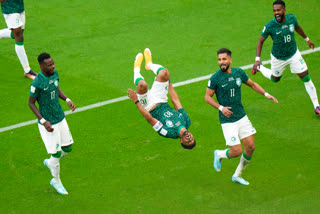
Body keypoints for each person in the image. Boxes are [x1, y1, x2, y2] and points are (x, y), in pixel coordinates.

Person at [205, 48, 278, 185]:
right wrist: (221, 108)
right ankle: (219, 154)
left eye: (224, 59)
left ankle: (237, 175)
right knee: (237, 150)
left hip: (241, 116)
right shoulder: (215, 78)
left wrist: (266, 94)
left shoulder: (239, 73)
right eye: (220, 60)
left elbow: (252, 84)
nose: (221, 62)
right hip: (228, 121)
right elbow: (207, 97)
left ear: (230, 60)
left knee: (250, 147)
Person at [252, 0, 320, 114]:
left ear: (284, 10)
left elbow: (298, 27)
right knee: (275, 79)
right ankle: (259, 68)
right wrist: (257, 60)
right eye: (274, 11)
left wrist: (307, 39)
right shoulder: (270, 26)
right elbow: (260, 41)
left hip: (294, 54)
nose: (276, 13)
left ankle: (316, 106)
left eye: (278, 10)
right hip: (278, 58)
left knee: (306, 77)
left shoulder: (291, 19)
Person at [127, 48, 196, 149]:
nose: (189, 139)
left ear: (181, 141)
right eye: (192, 140)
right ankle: (149, 64)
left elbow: (150, 119)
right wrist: (169, 82)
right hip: (161, 99)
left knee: (142, 85)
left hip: (149, 106)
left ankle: (136, 69)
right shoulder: (186, 121)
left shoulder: (167, 132)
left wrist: (137, 101)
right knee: (164, 73)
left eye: (187, 142)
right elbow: (176, 101)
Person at [28, 53, 76, 195]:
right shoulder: (37, 82)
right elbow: (31, 103)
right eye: (49, 65)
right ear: (41, 66)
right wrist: (43, 121)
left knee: (68, 148)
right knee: (56, 153)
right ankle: (55, 180)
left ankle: (50, 163)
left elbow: (56, 88)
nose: (52, 66)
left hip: (60, 116)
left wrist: (67, 99)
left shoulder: (54, 74)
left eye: (53, 63)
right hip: (48, 123)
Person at [0, 0, 37, 79]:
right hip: (9, 9)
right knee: (18, 35)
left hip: (19, 6)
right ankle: (27, 71)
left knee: (16, 34)